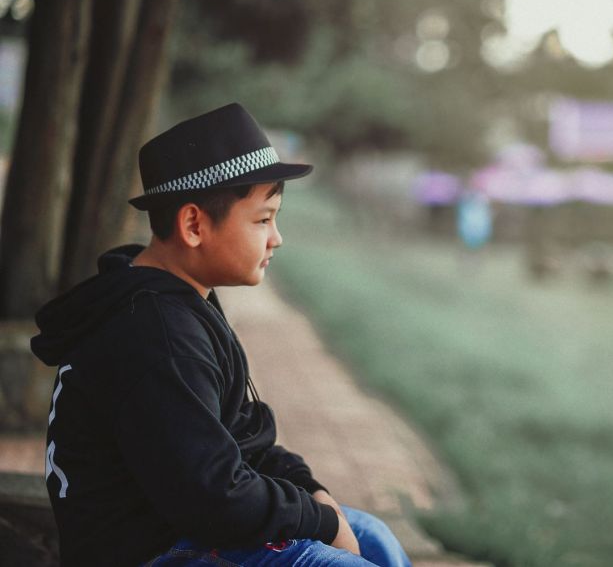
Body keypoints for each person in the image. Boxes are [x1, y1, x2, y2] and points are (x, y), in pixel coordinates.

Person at [31, 103, 412, 567]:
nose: (277, 238)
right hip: (151, 551)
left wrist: (313, 492)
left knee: (370, 535)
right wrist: (321, 523)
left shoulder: (176, 301)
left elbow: (242, 435)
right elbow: (215, 499)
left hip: (183, 525)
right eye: (263, 219)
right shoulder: (157, 333)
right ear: (194, 225)